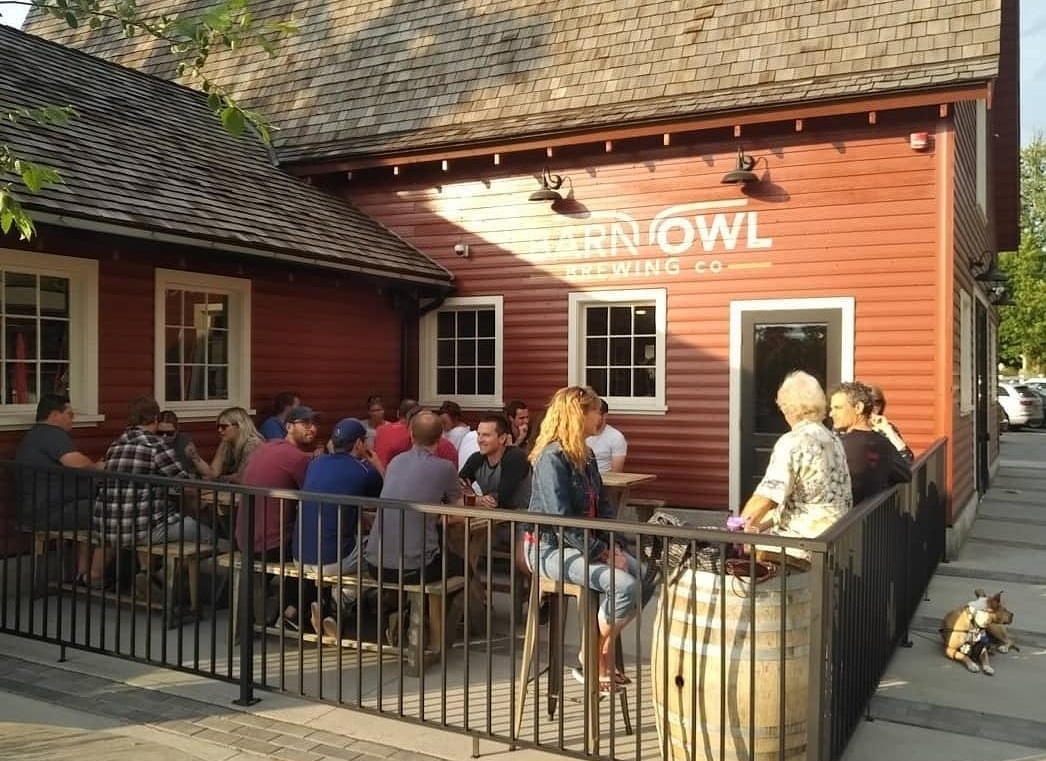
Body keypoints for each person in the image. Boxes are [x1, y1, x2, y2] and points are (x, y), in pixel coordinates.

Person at [526, 386, 654, 692]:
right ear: (578, 415)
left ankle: (594, 652)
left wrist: (614, 545)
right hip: (549, 548)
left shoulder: (587, 455)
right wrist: (603, 554)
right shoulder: (551, 457)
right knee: (624, 586)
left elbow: (604, 509)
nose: (601, 417)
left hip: (585, 544)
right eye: (596, 410)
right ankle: (595, 659)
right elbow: (561, 521)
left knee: (647, 577)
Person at [92, 396, 213, 588]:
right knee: (206, 535)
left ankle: (147, 574)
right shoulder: (156, 446)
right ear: (155, 419)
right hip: (141, 529)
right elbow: (186, 484)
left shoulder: (116, 445)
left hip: (108, 525)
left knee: (157, 516)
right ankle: (162, 580)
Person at [739, 372, 853, 554]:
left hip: (802, 545)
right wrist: (759, 525)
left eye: (782, 407)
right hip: (836, 539)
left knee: (737, 558)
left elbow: (766, 497)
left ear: (789, 408)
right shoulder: (833, 439)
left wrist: (736, 530)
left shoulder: (793, 441)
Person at [292, 418, 383, 637]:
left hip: (299, 556)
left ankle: (325, 606)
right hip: (334, 559)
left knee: (346, 546)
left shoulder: (316, 464)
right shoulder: (364, 470)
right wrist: (378, 464)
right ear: (359, 443)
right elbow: (388, 497)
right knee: (382, 556)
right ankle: (340, 600)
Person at [365, 410, 469, 585]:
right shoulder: (445, 467)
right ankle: (467, 604)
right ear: (441, 437)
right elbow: (459, 510)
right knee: (465, 567)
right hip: (415, 567)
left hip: (374, 564)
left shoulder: (396, 462)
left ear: (411, 435)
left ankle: (400, 602)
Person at [238, 405, 317, 629]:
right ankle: (295, 612)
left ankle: (279, 612)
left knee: (299, 542)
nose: (312, 428)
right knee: (316, 552)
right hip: (271, 544)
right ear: (289, 427)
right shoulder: (297, 458)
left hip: (244, 539)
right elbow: (314, 495)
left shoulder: (264, 448)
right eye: (305, 424)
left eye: (313, 424)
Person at [14, 394, 102, 583]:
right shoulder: (51, 433)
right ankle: (94, 576)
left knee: (93, 510)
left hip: (43, 509)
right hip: (50, 511)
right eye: (69, 414)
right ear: (54, 415)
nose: (73, 419)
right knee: (110, 511)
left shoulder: (36, 434)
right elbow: (75, 462)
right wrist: (98, 467)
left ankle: (83, 573)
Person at [829, 382, 912, 504]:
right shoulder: (884, 444)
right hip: (875, 512)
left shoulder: (838, 447)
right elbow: (905, 474)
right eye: (831, 408)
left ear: (858, 408)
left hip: (849, 514)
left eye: (838, 408)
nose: (831, 413)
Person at [375, 399, 457, 467]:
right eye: (419, 426)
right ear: (409, 429)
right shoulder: (397, 449)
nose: (423, 429)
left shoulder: (447, 448)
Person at [208, 406, 264, 482]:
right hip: (236, 487)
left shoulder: (253, 444)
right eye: (218, 426)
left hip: (255, 488)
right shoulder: (227, 442)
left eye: (224, 427)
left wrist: (218, 479)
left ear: (239, 426)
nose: (219, 430)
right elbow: (214, 472)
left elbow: (242, 477)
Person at [866, 384, 914, 462]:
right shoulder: (850, 431)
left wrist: (888, 430)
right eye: (869, 404)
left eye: (877, 404)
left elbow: (908, 460)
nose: (874, 409)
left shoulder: (886, 429)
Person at [157, 410, 211, 478]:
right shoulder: (152, 443)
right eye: (160, 433)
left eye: (169, 433)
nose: (164, 436)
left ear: (176, 431)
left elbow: (208, 473)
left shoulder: (184, 441)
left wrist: (194, 456)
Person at [585, 399, 627, 473]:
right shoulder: (580, 435)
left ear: (605, 416)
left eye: (595, 414)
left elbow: (616, 473)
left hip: (604, 478)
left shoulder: (616, 437)